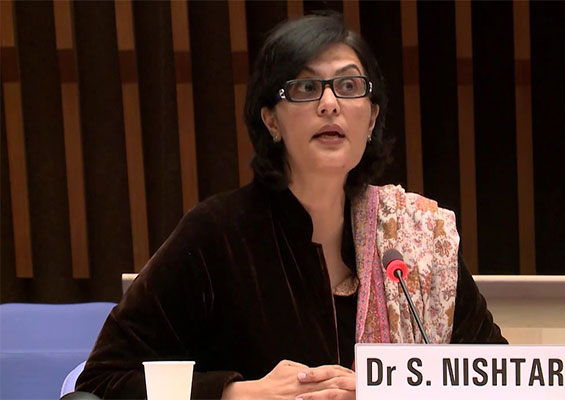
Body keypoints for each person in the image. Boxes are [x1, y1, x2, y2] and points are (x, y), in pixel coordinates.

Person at [76, 13, 506, 400]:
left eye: (349, 86)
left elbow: (501, 381)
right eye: (305, 87)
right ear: (271, 120)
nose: (330, 103)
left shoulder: (415, 239)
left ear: (372, 118)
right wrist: (238, 394)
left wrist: (388, 391)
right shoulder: (217, 236)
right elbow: (104, 380)